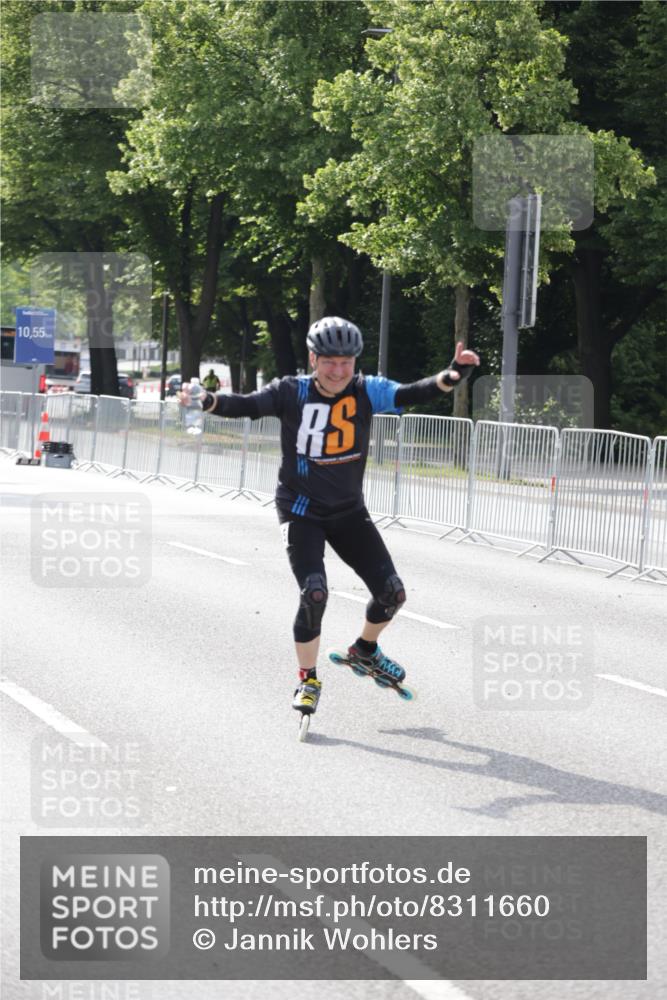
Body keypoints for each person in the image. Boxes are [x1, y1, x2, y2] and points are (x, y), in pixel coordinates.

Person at [179, 317, 480, 716]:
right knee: (314, 593)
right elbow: (248, 405)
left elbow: (412, 394)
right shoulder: (291, 391)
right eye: (329, 362)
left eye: (346, 363)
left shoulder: (367, 390)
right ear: (313, 359)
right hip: (302, 511)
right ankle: (308, 679)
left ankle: (365, 650)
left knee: (393, 593)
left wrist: (453, 374)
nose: (338, 371)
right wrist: (208, 401)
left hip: (348, 512)